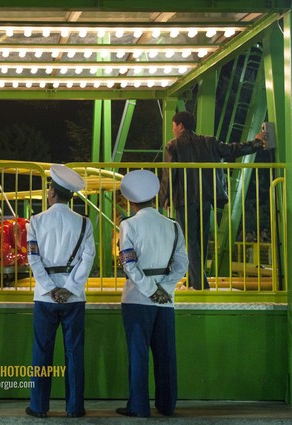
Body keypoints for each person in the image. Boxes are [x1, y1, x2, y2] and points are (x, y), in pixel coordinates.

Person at [159, 111, 266, 290]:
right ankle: (196, 280)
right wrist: (256, 142)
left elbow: (169, 174)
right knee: (201, 239)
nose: (173, 130)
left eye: (173, 126)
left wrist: (165, 196)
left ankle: (199, 282)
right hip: (206, 197)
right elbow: (233, 149)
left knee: (189, 240)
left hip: (184, 199)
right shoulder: (209, 142)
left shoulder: (173, 145)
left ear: (180, 125)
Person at [26, 164, 96, 419]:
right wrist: (69, 289)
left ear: (53, 193)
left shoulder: (36, 221)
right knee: (74, 353)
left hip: (45, 298)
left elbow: (33, 259)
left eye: (48, 189)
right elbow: (88, 259)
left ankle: (39, 406)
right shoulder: (84, 223)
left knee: (42, 352)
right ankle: (75, 407)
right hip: (74, 299)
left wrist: (50, 288)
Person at [117, 169, 188, 418]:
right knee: (165, 353)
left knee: (138, 354)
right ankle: (167, 405)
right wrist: (164, 289)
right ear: (154, 196)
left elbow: (129, 263)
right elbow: (182, 264)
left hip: (137, 298)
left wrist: (149, 290)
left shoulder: (128, 225)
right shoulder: (173, 226)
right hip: (165, 301)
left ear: (130, 200)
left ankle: (138, 406)